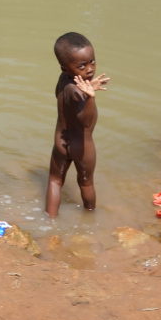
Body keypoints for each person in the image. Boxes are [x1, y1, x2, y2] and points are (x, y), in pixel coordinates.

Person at [45, 31, 110, 217]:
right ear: (65, 67)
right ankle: (90, 217)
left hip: (60, 142)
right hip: (82, 145)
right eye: (82, 65)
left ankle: (50, 218)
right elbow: (86, 121)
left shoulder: (63, 81)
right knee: (86, 183)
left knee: (55, 181)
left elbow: (67, 96)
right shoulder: (79, 92)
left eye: (92, 62)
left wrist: (88, 87)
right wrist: (90, 97)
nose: (90, 69)